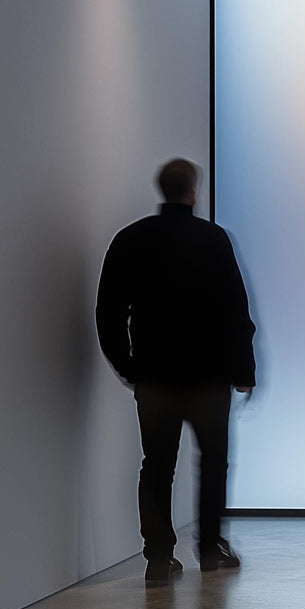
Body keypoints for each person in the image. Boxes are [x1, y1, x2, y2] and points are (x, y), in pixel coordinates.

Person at [96, 158, 256, 584]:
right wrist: (244, 370)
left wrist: (129, 367)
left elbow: (108, 312)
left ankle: (159, 557)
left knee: (157, 465)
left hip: (155, 377)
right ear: (193, 190)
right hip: (208, 376)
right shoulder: (213, 239)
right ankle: (209, 547)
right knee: (214, 462)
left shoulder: (130, 240)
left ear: (162, 189)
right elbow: (235, 311)